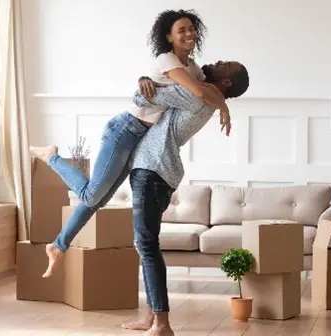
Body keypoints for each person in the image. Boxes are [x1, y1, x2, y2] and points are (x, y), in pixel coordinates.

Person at [29, 9, 230, 278]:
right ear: (169, 37)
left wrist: (222, 105)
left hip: (141, 139)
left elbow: (207, 92)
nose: (189, 33)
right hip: (125, 129)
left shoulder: (193, 68)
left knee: (97, 201)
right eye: (181, 30)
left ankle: (57, 245)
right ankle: (51, 156)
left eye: (192, 28)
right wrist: (223, 108)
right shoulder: (166, 59)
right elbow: (197, 94)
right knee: (91, 195)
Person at [120, 61, 249, 336]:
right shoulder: (206, 96)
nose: (216, 61)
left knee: (147, 245)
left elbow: (143, 96)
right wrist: (146, 77)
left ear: (226, 82)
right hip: (156, 172)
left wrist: (146, 80)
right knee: (146, 245)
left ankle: (162, 324)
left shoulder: (198, 94)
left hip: (153, 170)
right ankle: (150, 317)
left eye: (224, 64)